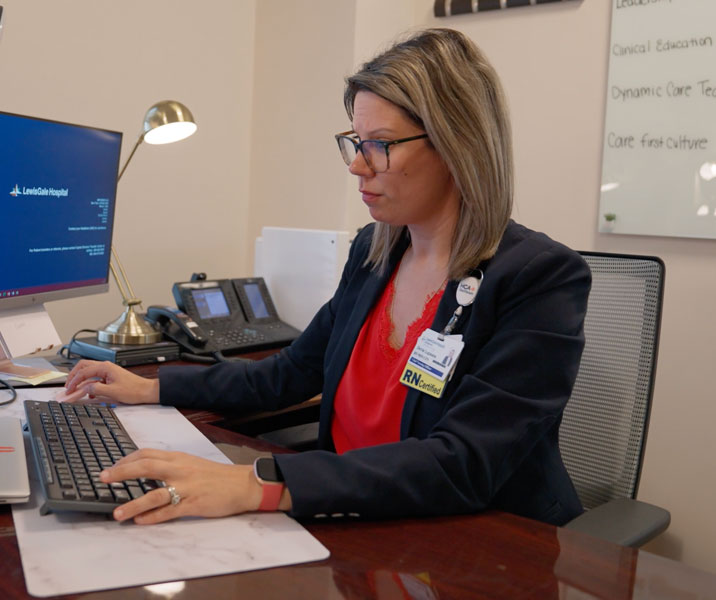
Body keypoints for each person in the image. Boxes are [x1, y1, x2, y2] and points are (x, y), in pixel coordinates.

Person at [64, 28, 591, 527]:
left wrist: (258, 483)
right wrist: (150, 387)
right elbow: (288, 375)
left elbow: (463, 463)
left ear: (457, 144)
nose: (358, 167)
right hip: (357, 518)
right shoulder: (375, 252)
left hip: (477, 547)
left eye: (380, 144)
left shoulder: (540, 278)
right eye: (354, 142)